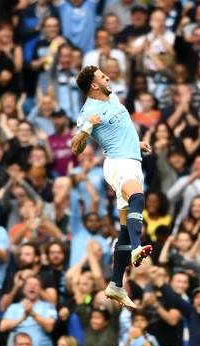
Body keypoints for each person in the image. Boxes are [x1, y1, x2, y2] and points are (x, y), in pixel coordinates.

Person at [72, 65, 153, 310]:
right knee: (138, 197)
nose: (107, 76)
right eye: (102, 76)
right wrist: (87, 126)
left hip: (130, 158)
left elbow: (116, 131)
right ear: (94, 85)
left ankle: (116, 284)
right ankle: (137, 249)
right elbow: (75, 148)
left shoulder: (113, 98)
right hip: (118, 164)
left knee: (125, 230)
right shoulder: (88, 112)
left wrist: (135, 143)